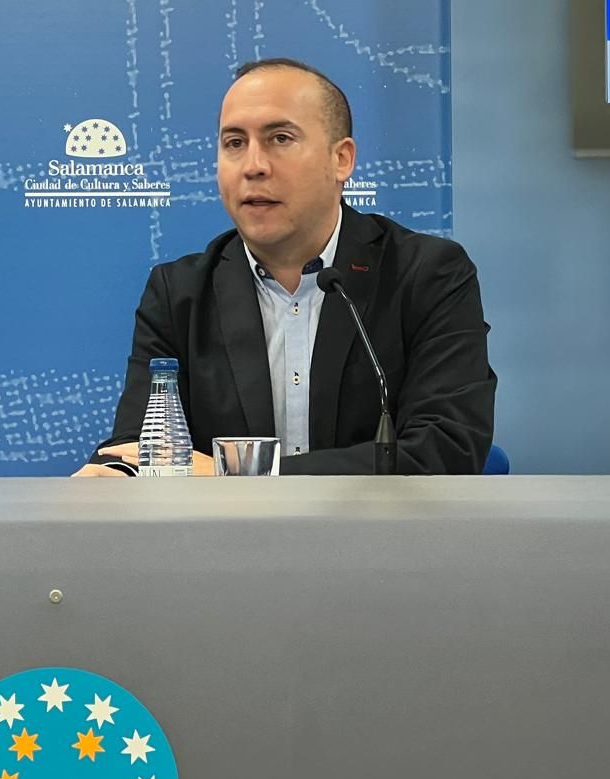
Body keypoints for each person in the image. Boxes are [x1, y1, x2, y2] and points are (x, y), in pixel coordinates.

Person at [79, 59, 494, 477]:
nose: (253, 165)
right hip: (224, 542)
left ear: (342, 159)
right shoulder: (179, 292)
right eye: (234, 143)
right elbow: (136, 451)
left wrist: (241, 477)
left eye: (280, 138)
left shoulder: (426, 274)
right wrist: (111, 476)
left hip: (376, 538)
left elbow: (447, 449)